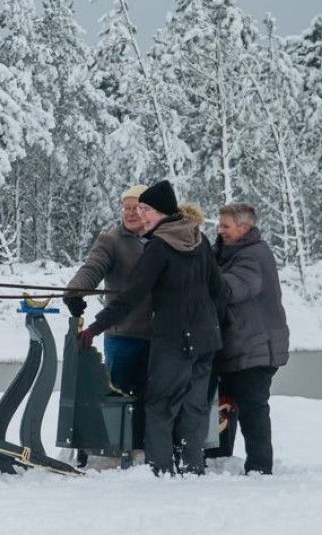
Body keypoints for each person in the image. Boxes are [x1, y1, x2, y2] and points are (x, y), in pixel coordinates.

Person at [78, 180, 226, 476]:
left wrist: (94, 328)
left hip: (174, 341)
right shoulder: (199, 239)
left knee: (160, 406)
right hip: (206, 340)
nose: (140, 215)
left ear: (160, 212)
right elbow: (219, 292)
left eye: (145, 209)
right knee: (194, 408)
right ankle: (191, 467)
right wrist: (211, 325)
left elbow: (131, 296)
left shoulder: (159, 247)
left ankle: (159, 471)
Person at [213, 203, 289, 475]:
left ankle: (259, 467)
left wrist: (205, 277)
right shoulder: (226, 252)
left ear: (244, 228)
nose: (220, 231)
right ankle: (224, 457)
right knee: (227, 404)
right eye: (219, 226)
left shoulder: (253, 255)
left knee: (252, 407)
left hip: (256, 346)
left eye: (226, 226)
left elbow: (234, 288)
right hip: (238, 345)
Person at [64, 184, 153, 395]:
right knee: (115, 399)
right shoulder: (111, 240)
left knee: (151, 404)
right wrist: (75, 291)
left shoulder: (161, 240)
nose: (130, 213)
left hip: (158, 338)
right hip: (121, 336)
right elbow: (92, 268)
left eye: (136, 208)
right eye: (126, 208)